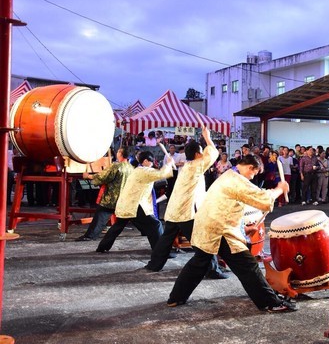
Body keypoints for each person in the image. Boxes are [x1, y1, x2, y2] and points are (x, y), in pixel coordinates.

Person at [166, 154, 296, 313]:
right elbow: (262, 198)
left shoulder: (227, 175)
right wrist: (279, 189)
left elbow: (229, 207)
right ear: (250, 167)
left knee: (199, 263)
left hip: (206, 226)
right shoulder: (236, 180)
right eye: (254, 173)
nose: (252, 177)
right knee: (248, 266)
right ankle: (271, 303)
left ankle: (176, 297)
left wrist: (244, 229)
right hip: (220, 230)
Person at [145, 128, 224, 275]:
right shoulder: (195, 166)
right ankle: (212, 269)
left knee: (165, 240)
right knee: (202, 240)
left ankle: (154, 264)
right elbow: (213, 154)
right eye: (201, 151)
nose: (202, 154)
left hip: (176, 209)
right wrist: (207, 138)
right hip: (186, 211)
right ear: (196, 154)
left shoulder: (188, 166)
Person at [96, 150, 173, 253]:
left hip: (127, 204)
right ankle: (161, 251)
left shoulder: (137, 170)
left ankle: (102, 247)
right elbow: (162, 174)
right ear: (145, 161)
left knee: (118, 226)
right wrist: (169, 163)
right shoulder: (144, 171)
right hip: (135, 204)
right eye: (150, 161)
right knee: (155, 225)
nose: (151, 164)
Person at [76, 148, 134, 241]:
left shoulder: (116, 166)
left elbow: (103, 177)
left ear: (120, 154)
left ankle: (90, 236)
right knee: (133, 218)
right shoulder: (130, 167)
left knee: (100, 217)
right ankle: (146, 230)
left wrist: (88, 176)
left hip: (111, 197)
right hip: (124, 197)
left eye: (118, 151)